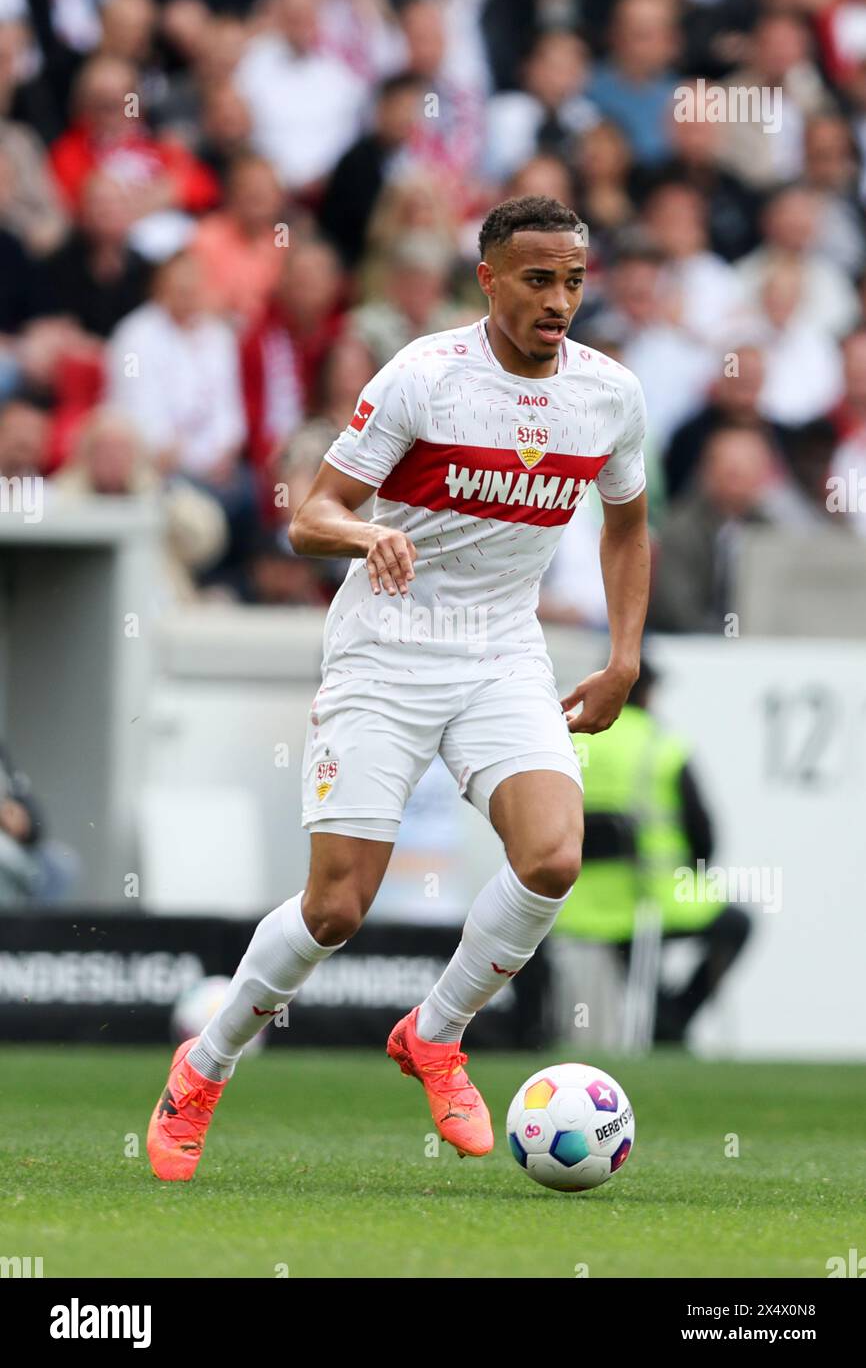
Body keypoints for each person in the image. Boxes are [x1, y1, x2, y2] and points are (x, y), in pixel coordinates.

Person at [146, 193, 650, 1181]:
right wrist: (367, 530)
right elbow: (310, 513)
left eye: (573, 281)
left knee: (550, 857)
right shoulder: (423, 378)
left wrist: (622, 655)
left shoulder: (609, 395)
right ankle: (202, 1067)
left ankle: (435, 1032)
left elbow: (626, 522)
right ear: (489, 280)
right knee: (337, 908)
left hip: (502, 649)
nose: (558, 300)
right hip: (387, 648)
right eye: (537, 279)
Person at [552, 660, 752, 1046]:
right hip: (649, 899)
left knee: (633, 944)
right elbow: (704, 834)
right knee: (736, 925)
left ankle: (663, 1019)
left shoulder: (568, 740)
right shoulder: (661, 745)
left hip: (571, 903)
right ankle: (672, 1021)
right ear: (644, 692)